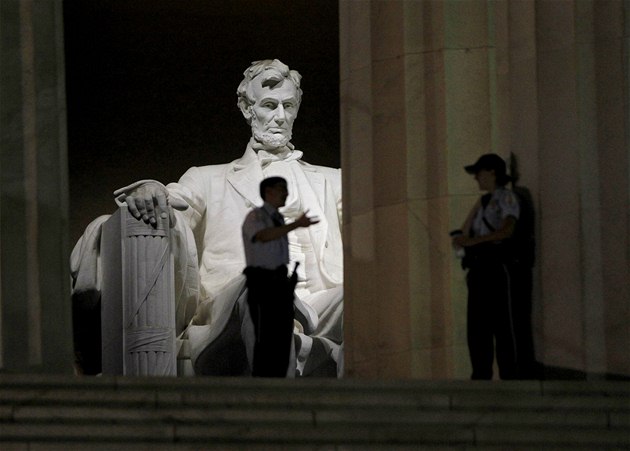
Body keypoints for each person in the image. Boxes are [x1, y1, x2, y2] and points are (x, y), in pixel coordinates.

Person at [72, 59, 343, 377]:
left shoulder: (334, 181)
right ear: (246, 108)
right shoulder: (206, 179)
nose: (280, 117)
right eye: (270, 105)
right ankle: (277, 411)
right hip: (235, 304)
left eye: (288, 106)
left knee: (362, 298)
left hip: (319, 301)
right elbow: (174, 205)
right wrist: (151, 189)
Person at [242, 177, 319, 377]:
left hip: (281, 282)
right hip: (262, 282)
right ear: (268, 193)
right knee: (265, 337)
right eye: (281, 189)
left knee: (282, 337)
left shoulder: (278, 218)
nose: (286, 193)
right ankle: (265, 385)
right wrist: (297, 225)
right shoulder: (256, 216)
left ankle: (281, 383)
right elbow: (263, 236)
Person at [452, 153, 519, 380]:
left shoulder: (505, 198)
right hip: (478, 269)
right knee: (477, 327)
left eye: (479, 173)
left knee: (501, 324)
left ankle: (508, 373)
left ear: (492, 173)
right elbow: (462, 233)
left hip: (494, 266)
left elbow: (508, 229)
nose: (476, 179)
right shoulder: (482, 202)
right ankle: (480, 373)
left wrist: (474, 242)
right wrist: (464, 241)